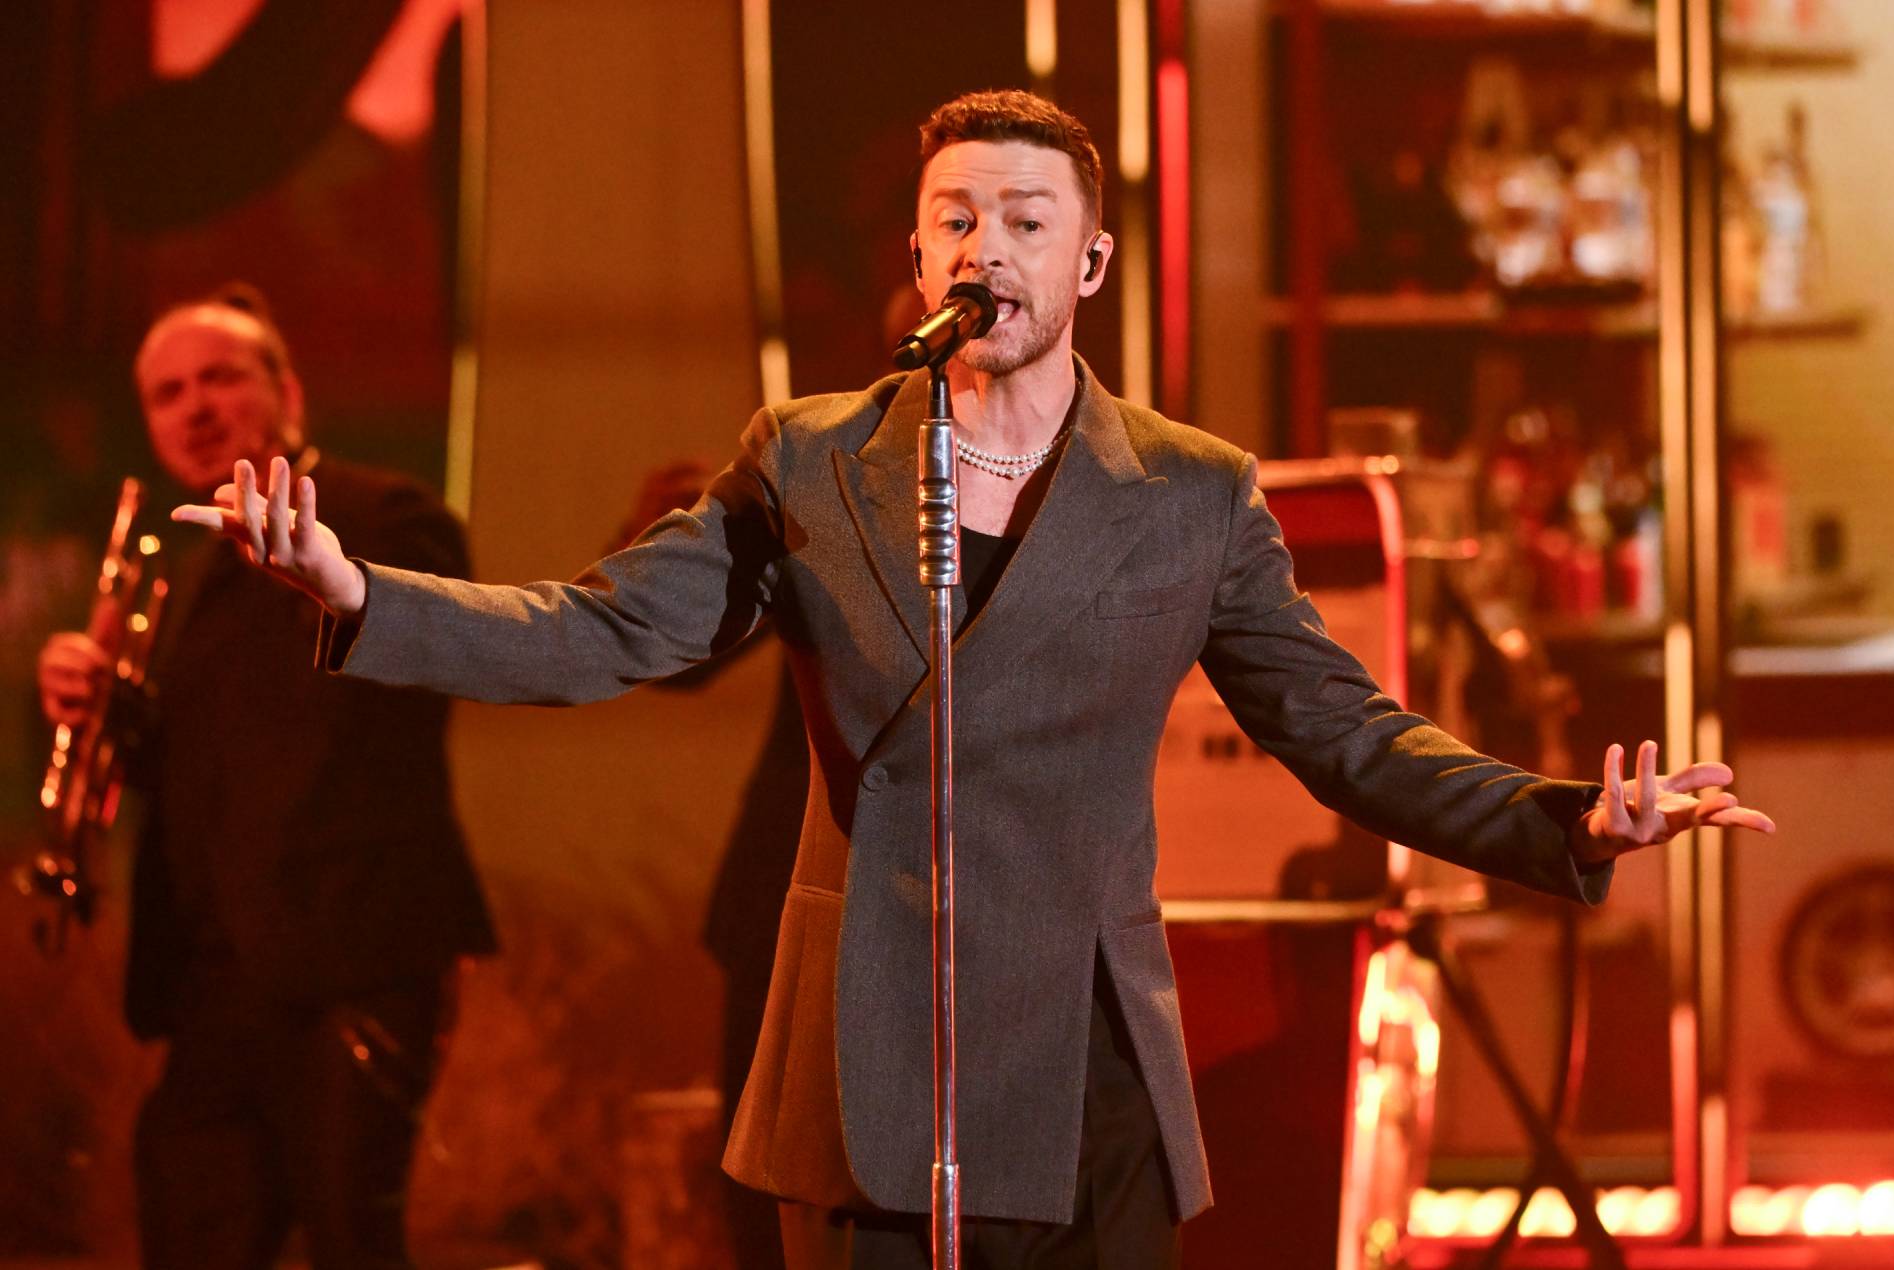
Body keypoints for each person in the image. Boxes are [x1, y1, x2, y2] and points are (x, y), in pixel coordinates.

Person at [174, 94, 1773, 1269]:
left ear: (1089, 262)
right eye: (956, 215)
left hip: (1083, 1057)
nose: (985, 244)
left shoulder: (1189, 491)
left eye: (1023, 218)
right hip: (872, 1055)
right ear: (919, 252)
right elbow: (599, 628)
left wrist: (1563, 814)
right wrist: (358, 591)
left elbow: (1339, 727)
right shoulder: (809, 461)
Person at [37, 284, 495, 1270]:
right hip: (211, 984)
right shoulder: (188, 569)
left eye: (220, 378)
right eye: (166, 393)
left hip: (354, 962)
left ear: (286, 390)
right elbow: (210, 765)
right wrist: (101, 708)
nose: (194, 407)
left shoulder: (387, 512)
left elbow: (417, 675)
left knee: (349, 1241)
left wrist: (311, 583)